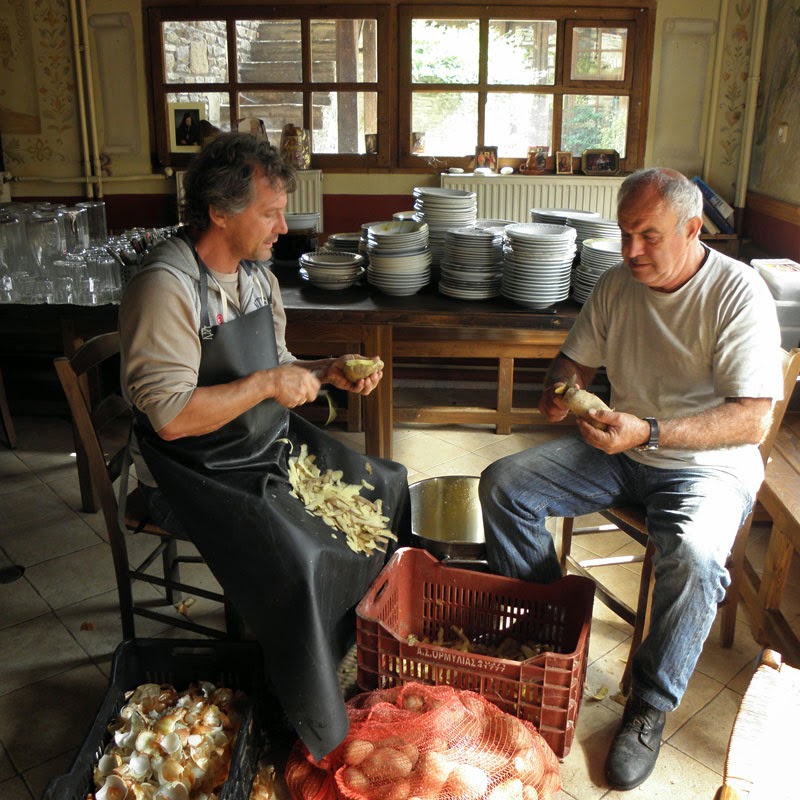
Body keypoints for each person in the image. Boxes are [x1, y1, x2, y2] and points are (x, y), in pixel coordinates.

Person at [478, 168, 782, 791]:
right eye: (623, 233)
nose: (629, 251)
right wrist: (562, 388)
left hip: (707, 467)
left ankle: (649, 705)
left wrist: (651, 430)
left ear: (694, 230)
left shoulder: (736, 293)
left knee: (694, 556)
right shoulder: (618, 284)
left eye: (647, 235)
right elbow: (575, 358)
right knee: (505, 483)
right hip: (626, 450)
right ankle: (548, 636)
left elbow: (752, 420)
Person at [119, 132, 409, 761]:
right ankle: (299, 708)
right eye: (271, 212)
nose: (286, 225)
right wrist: (268, 383)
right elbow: (168, 419)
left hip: (259, 446)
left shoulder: (256, 278)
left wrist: (325, 368)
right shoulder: (165, 287)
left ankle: (348, 652)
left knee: (386, 484)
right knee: (299, 555)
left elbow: (277, 366)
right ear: (220, 211)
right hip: (192, 469)